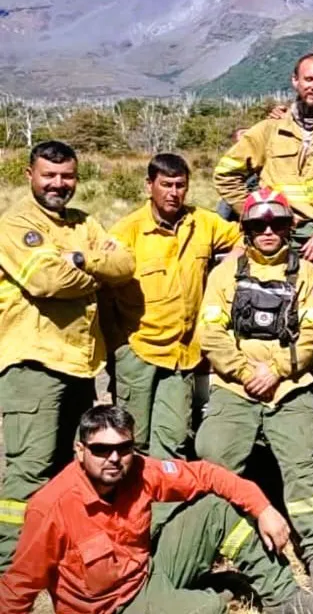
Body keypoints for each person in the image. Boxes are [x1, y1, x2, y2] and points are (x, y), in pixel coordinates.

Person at [0, 404, 313, 614]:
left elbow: (206, 474)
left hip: (146, 572)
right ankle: (218, 591)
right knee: (208, 608)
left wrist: (264, 507)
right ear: (80, 450)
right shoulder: (51, 507)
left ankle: (284, 598)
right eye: (101, 449)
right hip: (114, 608)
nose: (114, 458)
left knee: (214, 508)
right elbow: (19, 585)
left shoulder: (140, 471)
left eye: (123, 447)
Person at [194, 187, 313, 600]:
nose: (269, 231)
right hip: (236, 387)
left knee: (304, 471)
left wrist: (276, 370)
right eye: (259, 224)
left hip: (289, 388)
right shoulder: (226, 273)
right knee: (214, 459)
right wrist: (245, 372)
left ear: (290, 227)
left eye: (277, 223)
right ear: (246, 229)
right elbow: (212, 332)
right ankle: (212, 545)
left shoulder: (306, 274)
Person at [0, 140, 135, 572]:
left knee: (68, 467)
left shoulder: (84, 223)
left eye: (67, 176)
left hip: (80, 366)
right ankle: (10, 567)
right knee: (29, 469)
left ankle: (57, 556)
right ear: (30, 175)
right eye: (49, 176)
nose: (58, 184)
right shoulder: (16, 222)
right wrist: (96, 271)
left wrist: (77, 257)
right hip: (33, 363)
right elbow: (44, 280)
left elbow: (126, 265)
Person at [101, 153, 242, 459]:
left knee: (174, 438)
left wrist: (229, 264)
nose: (174, 193)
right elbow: (104, 291)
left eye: (180, 185)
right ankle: (132, 504)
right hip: (138, 350)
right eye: (166, 184)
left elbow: (246, 236)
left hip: (184, 355)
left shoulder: (202, 222)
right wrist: (120, 349)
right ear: (149, 184)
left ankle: (165, 505)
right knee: (132, 439)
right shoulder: (127, 231)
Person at [213, 53, 313, 271]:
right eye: (309, 79)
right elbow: (225, 175)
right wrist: (257, 211)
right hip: (276, 225)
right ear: (295, 81)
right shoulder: (270, 129)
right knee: (233, 270)